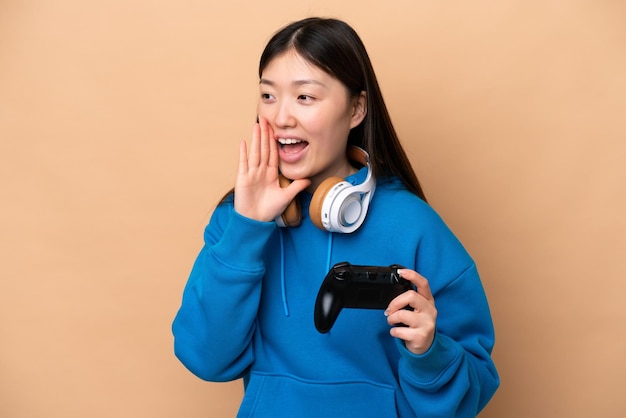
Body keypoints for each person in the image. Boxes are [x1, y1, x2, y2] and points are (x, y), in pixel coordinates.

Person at [172, 17, 499, 417]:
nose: (281, 118)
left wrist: (429, 352)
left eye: (305, 97)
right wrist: (247, 229)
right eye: (268, 96)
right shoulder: (236, 221)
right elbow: (206, 359)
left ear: (356, 109)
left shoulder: (414, 226)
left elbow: (471, 392)